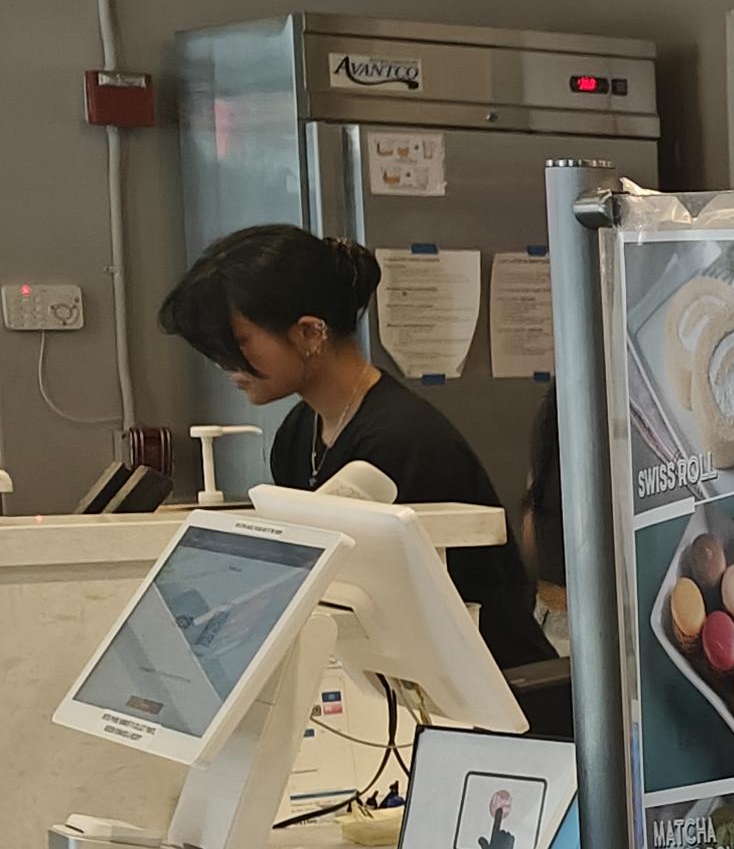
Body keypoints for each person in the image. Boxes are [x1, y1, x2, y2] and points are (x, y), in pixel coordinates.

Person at [156, 224, 548, 684]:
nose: (223, 364)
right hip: (393, 677)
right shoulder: (297, 432)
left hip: (491, 681)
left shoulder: (401, 441)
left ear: (309, 333)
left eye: (235, 343)